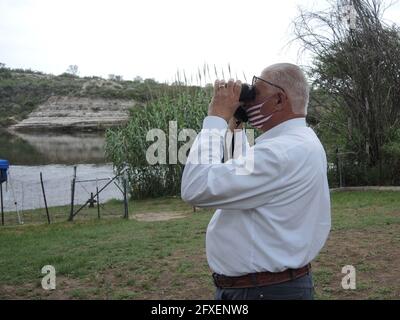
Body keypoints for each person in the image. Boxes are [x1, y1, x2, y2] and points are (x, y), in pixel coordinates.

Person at [181, 63, 331, 300]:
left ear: (280, 100)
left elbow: (196, 188)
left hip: (262, 291)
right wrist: (236, 125)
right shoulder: (301, 140)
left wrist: (215, 119)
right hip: (272, 287)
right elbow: (244, 179)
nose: (249, 101)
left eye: (255, 94)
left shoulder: (279, 152)